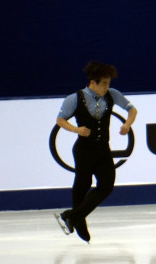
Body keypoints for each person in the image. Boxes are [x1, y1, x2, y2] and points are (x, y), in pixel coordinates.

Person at [55, 61, 137, 242]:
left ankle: (72, 216)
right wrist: (76, 130)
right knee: (83, 185)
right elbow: (60, 120)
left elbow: (132, 109)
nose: (107, 87)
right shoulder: (74, 98)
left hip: (103, 149)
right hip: (83, 150)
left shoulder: (112, 94)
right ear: (93, 82)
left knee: (106, 186)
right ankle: (78, 220)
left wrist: (127, 124)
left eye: (108, 83)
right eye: (104, 84)